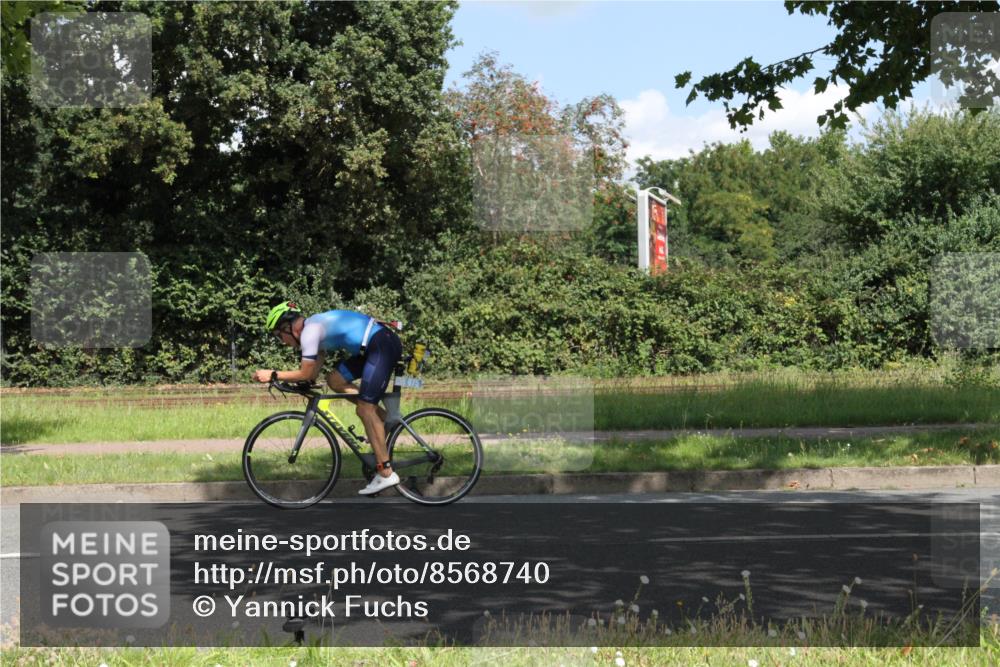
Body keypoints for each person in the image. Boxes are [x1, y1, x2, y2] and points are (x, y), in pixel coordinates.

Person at [253, 301, 403, 495]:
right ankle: (383, 419)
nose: (282, 341)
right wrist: (304, 383)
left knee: (365, 409)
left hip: (381, 345)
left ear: (287, 327)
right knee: (334, 379)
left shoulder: (310, 332)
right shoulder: (313, 329)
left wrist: (273, 374)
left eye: (278, 335)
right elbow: (314, 368)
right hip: (373, 347)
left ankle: (385, 473)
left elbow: (305, 372)